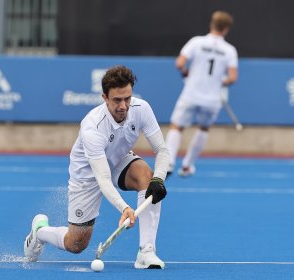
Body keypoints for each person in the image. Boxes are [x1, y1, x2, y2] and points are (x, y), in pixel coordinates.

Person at [24, 65, 169, 269]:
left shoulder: (141, 109)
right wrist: (125, 208)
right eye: (117, 100)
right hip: (87, 173)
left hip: (118, 159)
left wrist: (159, 178)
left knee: (147, 176)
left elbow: (162, 150)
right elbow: (102, 178)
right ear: (104, 97)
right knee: (76, 244)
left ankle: (146, 252)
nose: (123, 106)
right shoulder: (93, 126)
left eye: (127, 98)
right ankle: (40, 231)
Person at [165, 10, 238, 177]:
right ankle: (187, 166)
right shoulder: (229, 50)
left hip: (191, 94)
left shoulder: (197, 42)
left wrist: (186, 72)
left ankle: (169, 162)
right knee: (204, 129)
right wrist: (220, 81)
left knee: (177, 126)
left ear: (212, 24)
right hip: (212, 99)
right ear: (226, 29)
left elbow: (179, 63)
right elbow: (232, 78)